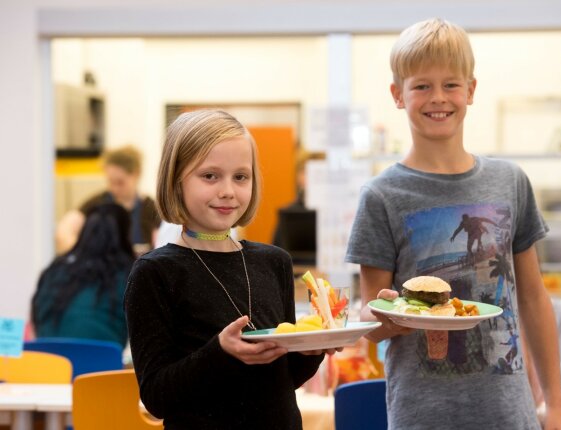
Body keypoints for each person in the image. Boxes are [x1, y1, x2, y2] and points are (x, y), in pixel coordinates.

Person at [345, 18, 561, 429]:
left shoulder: (509, 181)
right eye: (422, 86)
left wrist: (554, 407)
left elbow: (534, 299)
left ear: (471, 90)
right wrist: (385, 318)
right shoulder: (380, 195)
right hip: (422, 415)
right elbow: (370, 318)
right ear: (398, 95)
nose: (438, 98)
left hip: (509, 414)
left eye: (451, 84)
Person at [124, 109, 335, 429]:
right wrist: (220, 353)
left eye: (241, 177)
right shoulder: (155, 273)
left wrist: (311, 349)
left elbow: (284, 379)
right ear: (176, 180)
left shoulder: (274, 262)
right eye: (210, 176)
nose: (228, 191)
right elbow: (156, 397)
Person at [31, 203, 134, 348]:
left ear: (84, 231)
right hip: (102, 366)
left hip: (50, 365)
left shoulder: (53, 271)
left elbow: (36, 323)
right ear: (125, 236)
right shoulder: (128, 275)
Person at [55, 144, 161, 255]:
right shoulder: (97, 204)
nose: (115, 189)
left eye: (120, 183)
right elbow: (63, 232)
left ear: (136, 174)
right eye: (111, 182)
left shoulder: (151, 208)